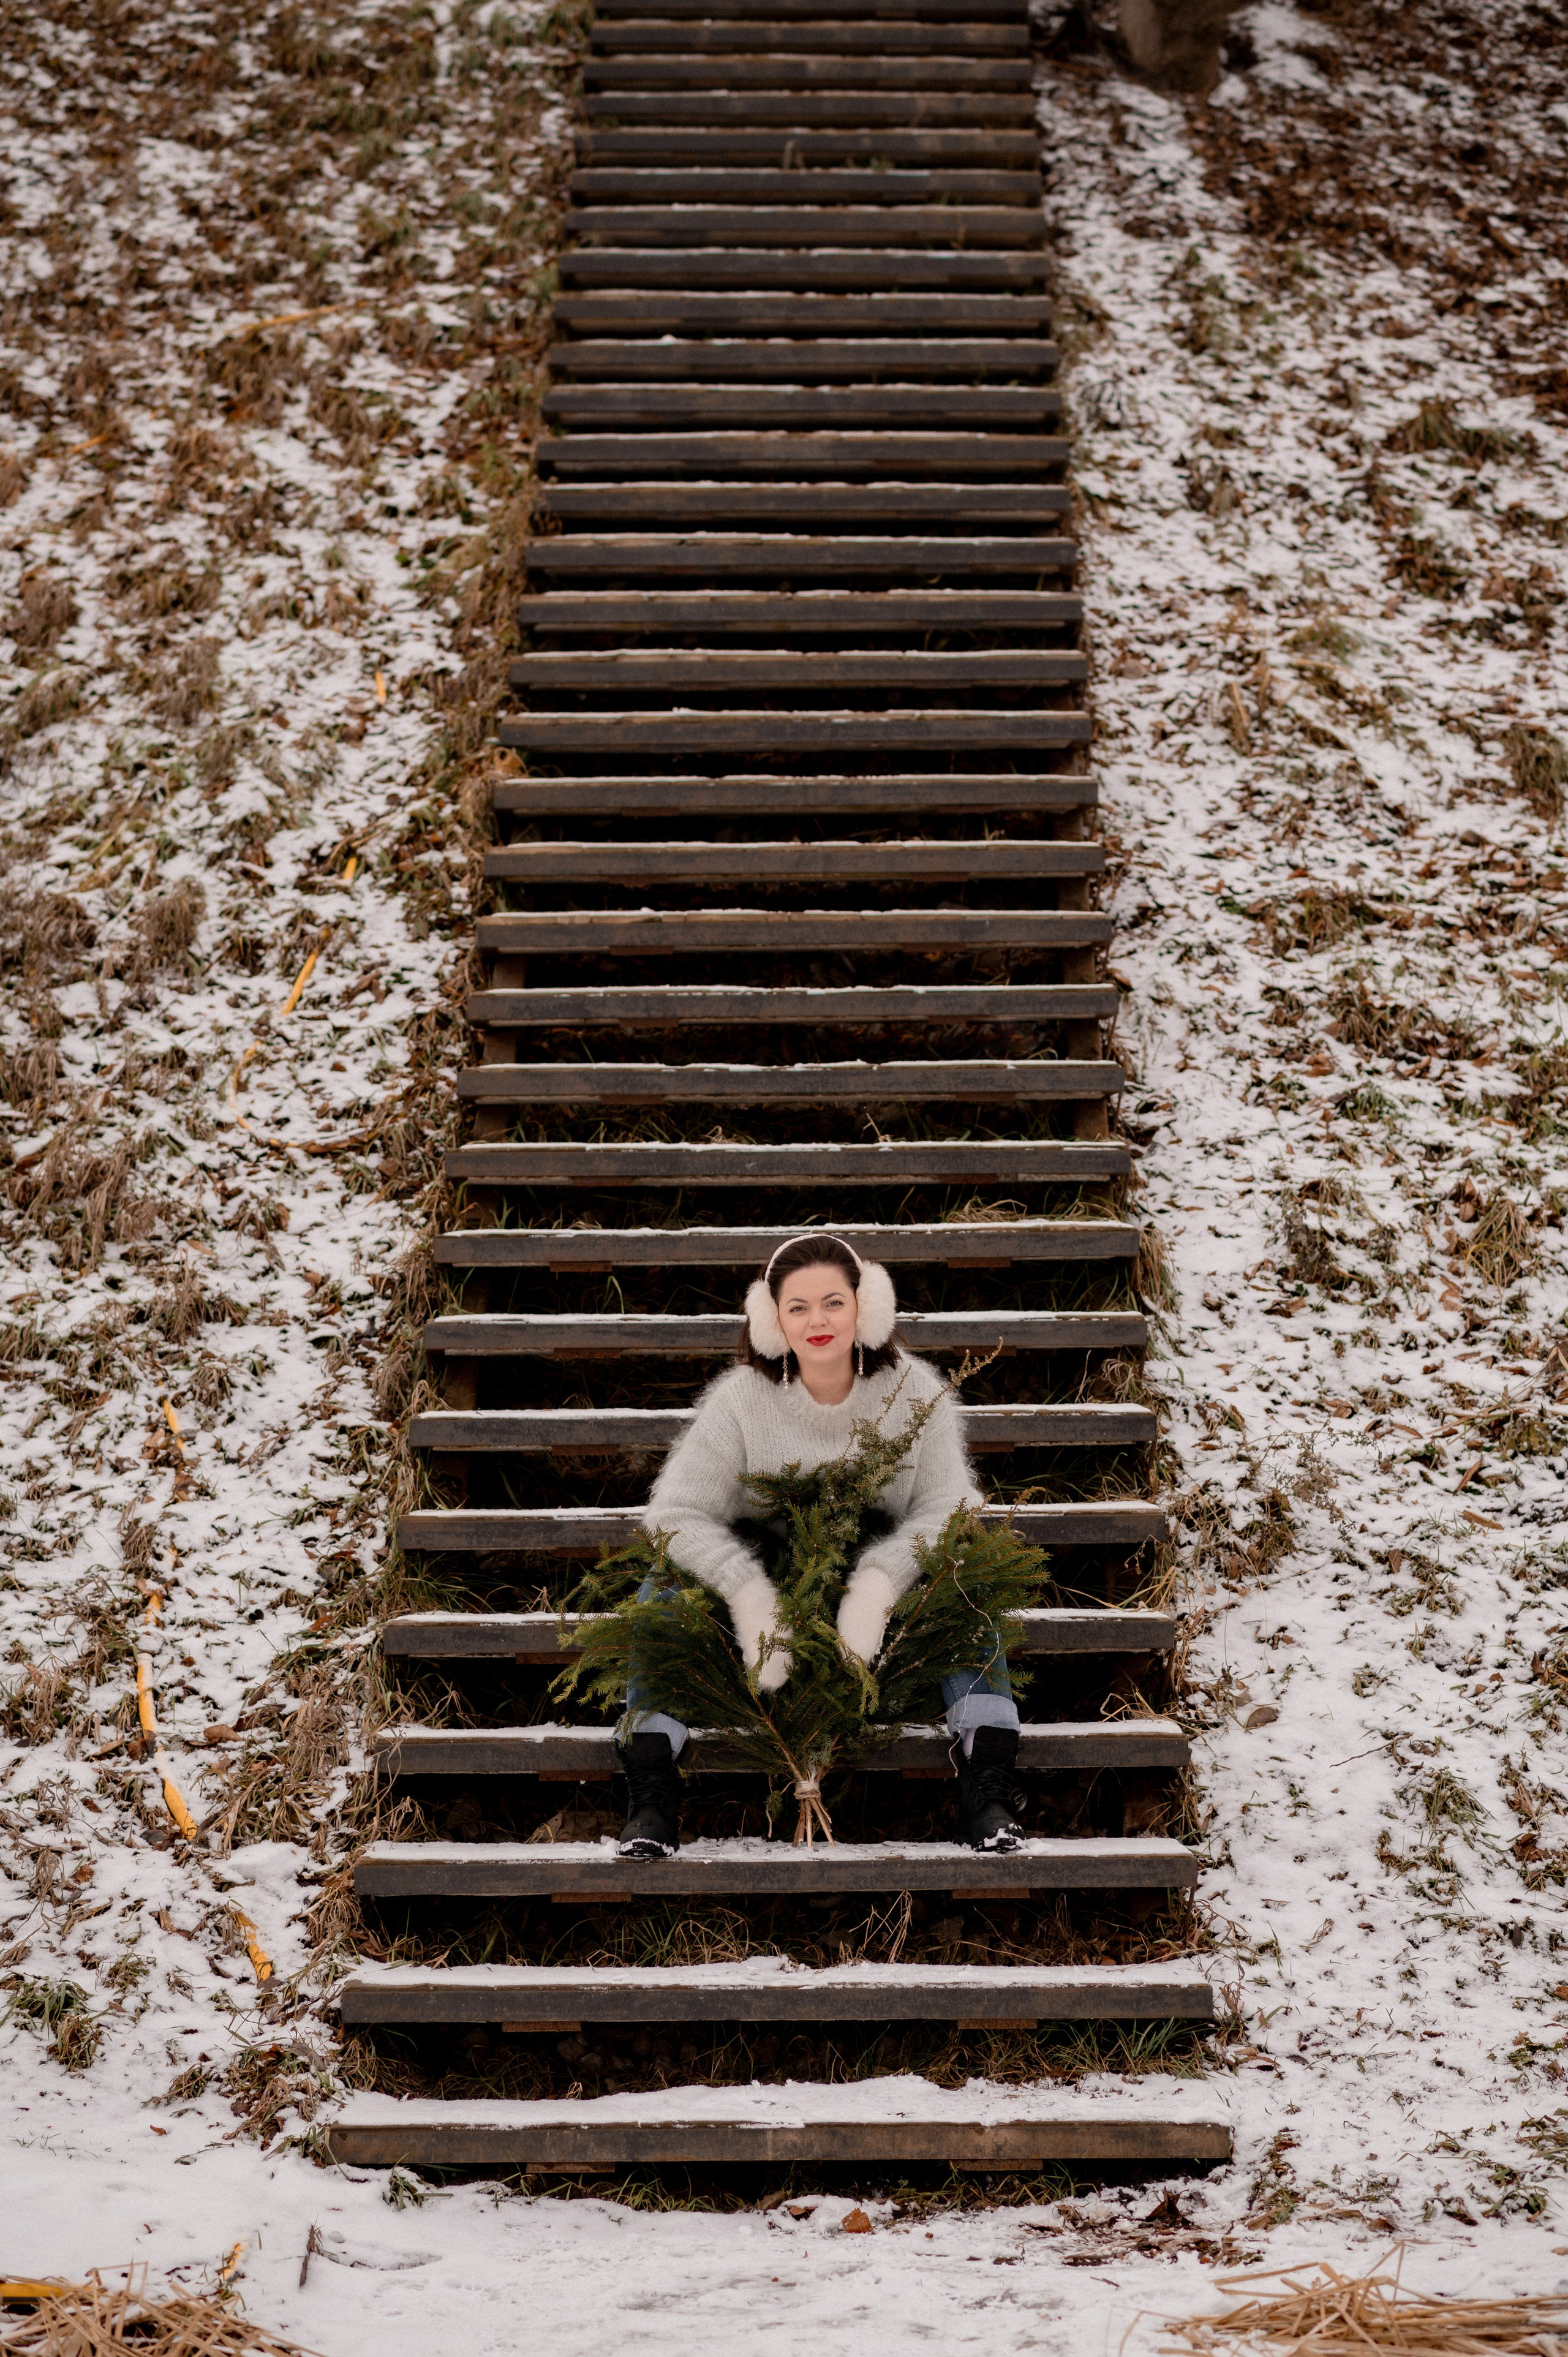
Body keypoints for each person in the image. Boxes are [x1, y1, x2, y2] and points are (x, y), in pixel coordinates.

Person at [614, 1232, 1024, 1859]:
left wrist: (881, 1581)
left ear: (866, 1307)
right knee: (662, 1586)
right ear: (771, 1319)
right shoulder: (739, 1399)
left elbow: (948, 1504)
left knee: (967, 1575)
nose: (817, 1320)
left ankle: (986, 1787)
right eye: (798, 1306)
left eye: (833, 1301)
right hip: (773, 1588)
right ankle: (651, 1795)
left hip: (879, 1610)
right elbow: (674, 1512)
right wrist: (747, 1591)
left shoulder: (914, 1390)